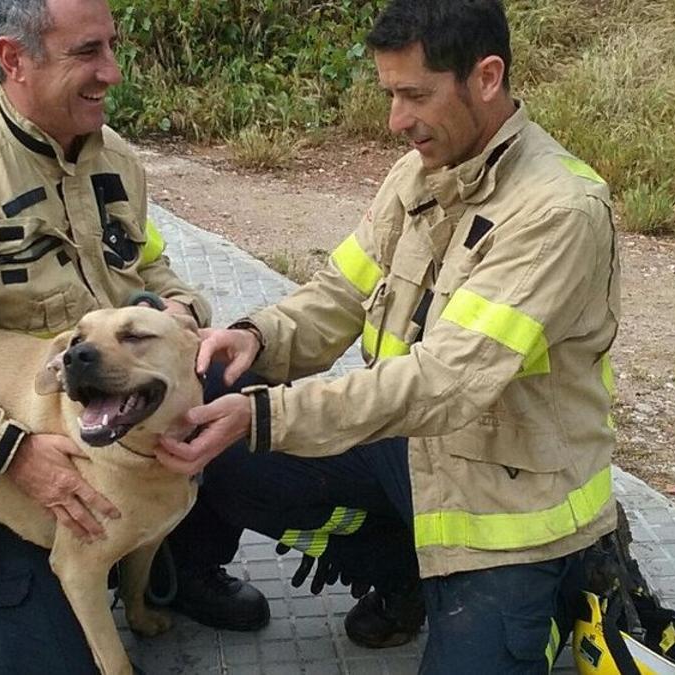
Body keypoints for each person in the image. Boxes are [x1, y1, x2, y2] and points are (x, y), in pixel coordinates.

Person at [157, 0, 622, 671]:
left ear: (487, 77)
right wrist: (259, 337)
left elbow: (446, 382)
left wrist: (268, 412)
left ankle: (557, 586)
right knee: (211, 413)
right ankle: (403, 571)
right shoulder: (420, 171)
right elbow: (340, 294)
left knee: (247, 422)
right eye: (389, 94)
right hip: (407, 447)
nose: (396, 120)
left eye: (414, 95)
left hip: (505, 505)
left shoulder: (557, 211)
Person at [0, 0, 267, 671]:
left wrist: (182, 309)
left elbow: (150, 267)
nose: (113, 72)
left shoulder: (114, 161)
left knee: (251, 392)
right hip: (12, 453)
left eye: (111, 47)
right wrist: (6, 451)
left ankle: (186, 559)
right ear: (15, 59)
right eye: (87, 53)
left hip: (125, 415)